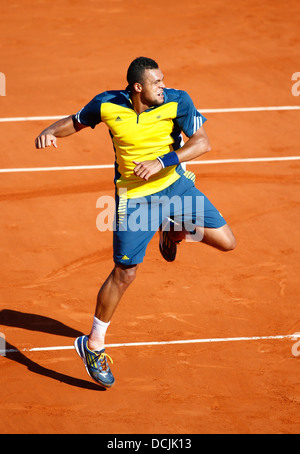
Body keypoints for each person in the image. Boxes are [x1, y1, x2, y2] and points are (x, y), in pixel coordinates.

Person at [35, 57, 236, 389]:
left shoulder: (177, 100)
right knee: (125, 273)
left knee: (227, 241)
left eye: (164, 80)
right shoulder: (107, 104)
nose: (164, 86)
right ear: (138, 87)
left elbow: (203, 143)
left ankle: (172, 228)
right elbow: (76, 121)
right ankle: (93, 344)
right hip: (134, 199)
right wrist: (49, 131)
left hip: (175, 185)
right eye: (157, 82)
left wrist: (163, 161)